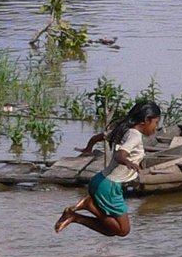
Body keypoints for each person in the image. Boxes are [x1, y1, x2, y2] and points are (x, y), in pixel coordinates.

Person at [54, 100, 162, 237]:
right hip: (109, 187)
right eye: (156, 123)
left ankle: (76, 216)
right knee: (123, 230)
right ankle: (87, 206)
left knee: (111, 230)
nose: (156, 127)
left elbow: (98, 137)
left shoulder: (124, 130)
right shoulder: (134, 136)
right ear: (146, 120)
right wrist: (128, 162)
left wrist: (89, 147)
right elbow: (119, 154)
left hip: (100, 181)